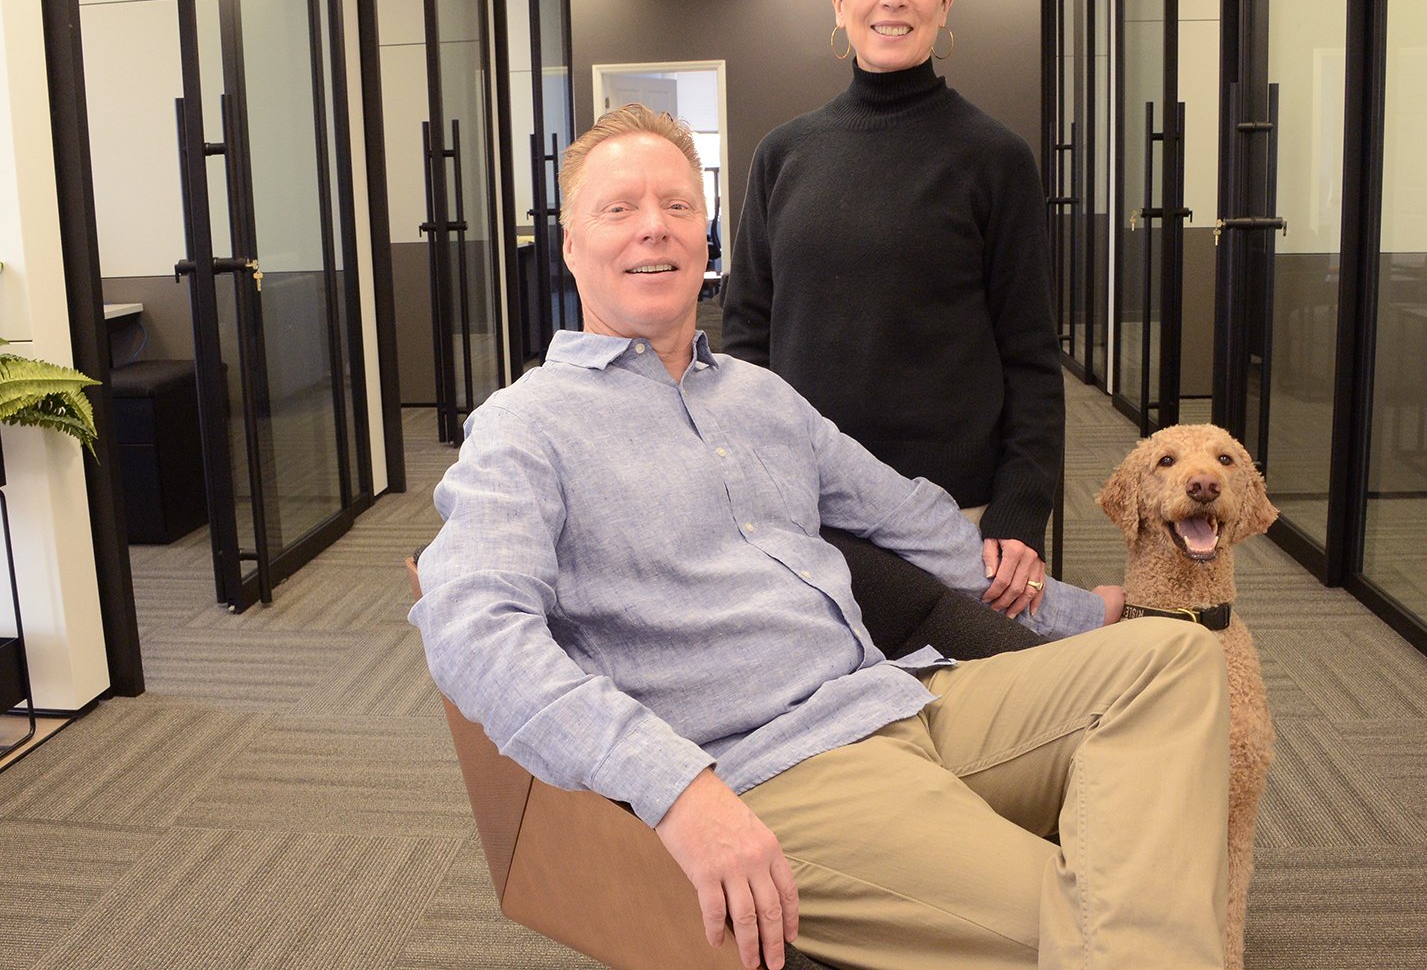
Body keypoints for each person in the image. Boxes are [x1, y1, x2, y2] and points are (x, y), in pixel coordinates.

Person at [411, 105, 1231, 970]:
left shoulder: (761, 398)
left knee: (1172, 662)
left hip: (898, 699)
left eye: (679, 206)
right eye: (619, 209)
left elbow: (910, 517)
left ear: (707, 235)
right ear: (571, 245)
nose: (655, 225)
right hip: (773, 772)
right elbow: (473, 631)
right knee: (1077, 921)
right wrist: (678, 792)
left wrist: (1071, 612)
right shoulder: (525, 424)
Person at [725, 0, 1075, 623]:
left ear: (945, 3)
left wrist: (1019, 510)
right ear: (838, 0)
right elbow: (747, 336)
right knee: (838, 716)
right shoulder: (783, 155)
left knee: (978, 717)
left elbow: (1032, 358)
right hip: (810, 506)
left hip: (952, 513)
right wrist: (755, 485)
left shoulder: (995, 159)